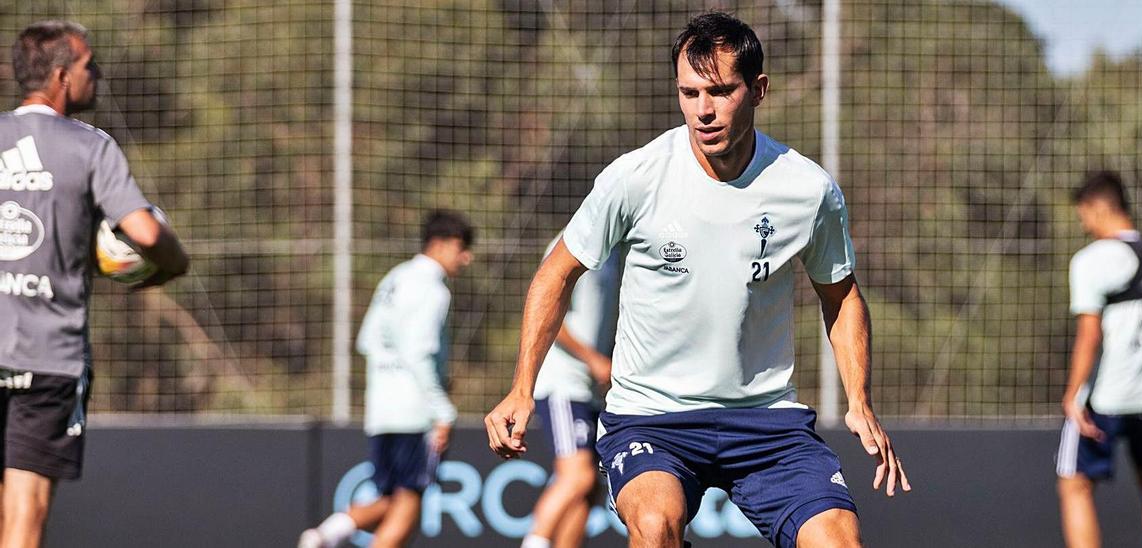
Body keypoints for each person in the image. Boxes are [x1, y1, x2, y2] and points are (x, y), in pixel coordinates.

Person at [486, 12, 909, 548]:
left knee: (839, 539)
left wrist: (859, 398)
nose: (702, 111)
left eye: (720, 91)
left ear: (758, 90)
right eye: (689, 93)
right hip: (651, 416)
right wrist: (522, 387)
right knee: (655, 524)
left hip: (765, 420)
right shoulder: (636, 176)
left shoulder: (807, 189)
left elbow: (841, 295)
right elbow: (555, 274)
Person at [0, 21, 189, 548]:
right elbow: (144, 232)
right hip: (47, 360)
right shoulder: (89, 146)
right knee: (25, 514)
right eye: (90, 66)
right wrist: (174, 262)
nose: (97, 75)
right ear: (61, 76)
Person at [299, 212, 473, 548]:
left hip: (381, 410)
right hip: (415, 413)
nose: (466, 258)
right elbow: (419, 353)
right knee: (410, 503)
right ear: (440, 245)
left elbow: (367, 340)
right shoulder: (434, 290)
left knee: (390, 499)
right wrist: (442, 410)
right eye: (462, 248)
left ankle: (325, 534)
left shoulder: (394, 278)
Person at [1057, 171, 1142, 548]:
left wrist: (1073, 393)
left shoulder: (1092, 259)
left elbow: (1090, 333)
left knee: (1074, 484)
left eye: (1084, 215)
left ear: (1097, 208)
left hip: (1106, 400)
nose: (1083, 224)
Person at [522, 234, 620, 548]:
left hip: (590, 390)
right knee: (577, 476)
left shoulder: (619, 251)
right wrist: (592, 359)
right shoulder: (576, 238)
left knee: (588, 490)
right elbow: (548, 311)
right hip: (564, 384)